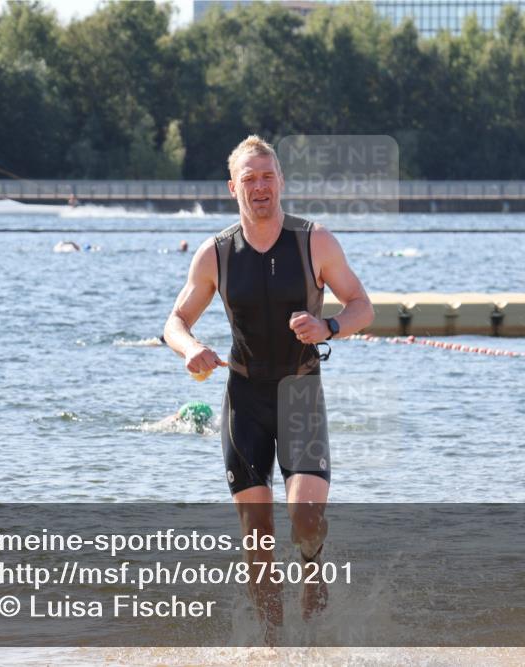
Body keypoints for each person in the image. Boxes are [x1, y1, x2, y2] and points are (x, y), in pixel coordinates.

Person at [163, 135, 374, 640]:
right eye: (249, 179)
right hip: (244, 400)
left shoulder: (313, 241)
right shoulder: (216, 253)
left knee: (304, 522)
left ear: (280, 182)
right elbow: (175, 320)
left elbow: (361, 305)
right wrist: (189, 349)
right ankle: (273, 645)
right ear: (233, 186)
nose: (260, 187)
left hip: (300, 395)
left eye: (268, 177)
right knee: (257, 540)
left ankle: (313, 588)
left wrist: (330, 328)